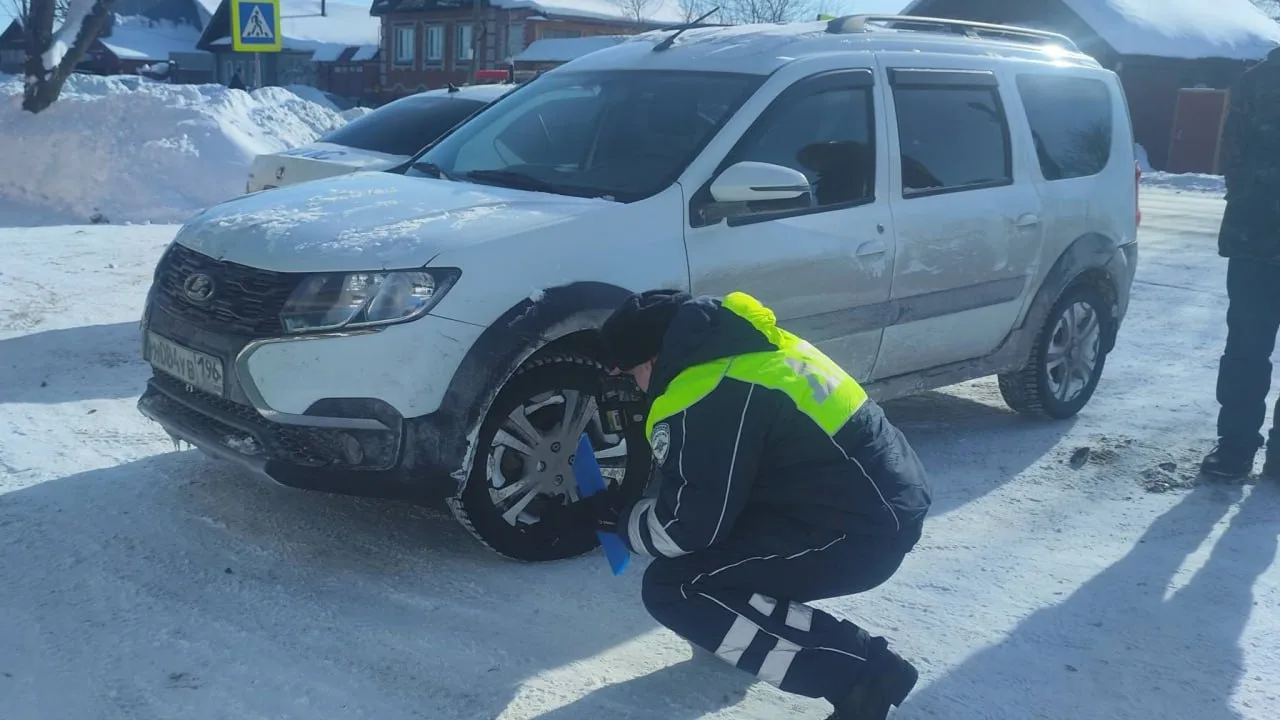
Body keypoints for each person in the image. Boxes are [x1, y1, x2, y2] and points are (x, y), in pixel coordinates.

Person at [584, 289, 931, 720]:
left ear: (652, 360)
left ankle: (861, 675)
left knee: (676, 586)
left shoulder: (704, 393)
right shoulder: (744, 347)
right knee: (718, 551)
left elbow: (686, 529)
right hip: (879, 500)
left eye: (630, 373)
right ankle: (743, 633)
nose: (630, 386)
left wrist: (620, 521)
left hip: (860, 534)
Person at [1200, 45, 1280, 480]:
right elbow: (1232, 153)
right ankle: (1235, 446)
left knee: (1246, 351)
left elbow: (1232, 155)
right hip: (1256, 243)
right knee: (1246, 351)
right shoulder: (1258, 82)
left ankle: (1240, 450)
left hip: (1254, 236)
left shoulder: (1256, 81)